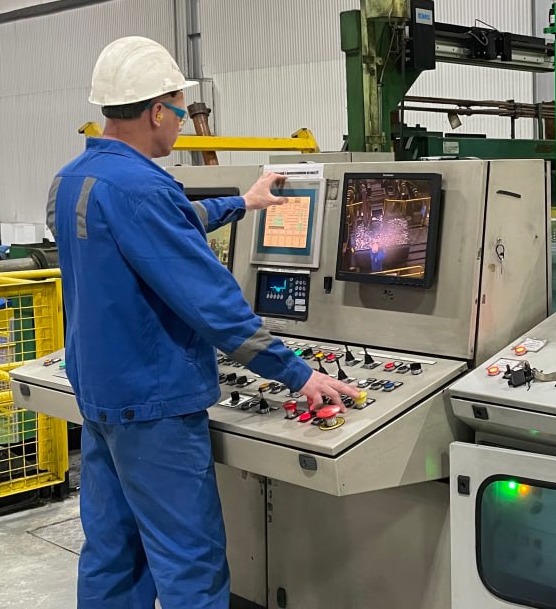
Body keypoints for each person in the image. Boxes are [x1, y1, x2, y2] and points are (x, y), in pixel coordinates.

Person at [48, 36, 358, 609]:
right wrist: (297, 374)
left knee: (113, 555)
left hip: (99, 399)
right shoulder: (144, 187)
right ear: (155, 111)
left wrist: (243, 203)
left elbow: (163, 223)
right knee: (190, 566)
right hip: (156, 407)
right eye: (179, 109)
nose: (181, 124)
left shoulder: (72, 180)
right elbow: (213, 306)